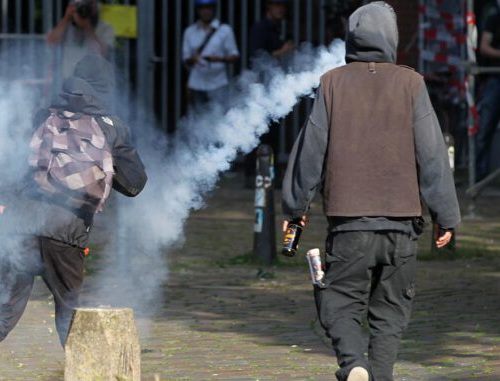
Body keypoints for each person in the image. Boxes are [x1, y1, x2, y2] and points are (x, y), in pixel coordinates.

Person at [281, 3, 460, 381]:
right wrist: (446, 214)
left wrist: (296, 206)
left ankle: (353, 363)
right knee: (391, 313)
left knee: (339, 302)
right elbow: (432, 153)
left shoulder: (332, 82)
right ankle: (378, 375)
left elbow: (311, 149)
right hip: (402, 224)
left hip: (350, 223)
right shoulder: (412, 83)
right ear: (392, 39)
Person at [0, 54, 147, 381]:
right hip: (66, 232)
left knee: (3, 312)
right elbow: (135, 184)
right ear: (104, 87)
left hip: (19, 226)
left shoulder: (40, 115)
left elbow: (7, 164)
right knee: (69, 312)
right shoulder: (110, 126)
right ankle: (90, 375)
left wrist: (5, 203)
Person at [245, 0, 294, 187]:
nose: (280, 9)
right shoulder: (260, 28)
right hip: (260, 87)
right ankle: (252, 175)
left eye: (283, 5)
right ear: (268, 7)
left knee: (271, 132)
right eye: (276, 5)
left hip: (272, 86)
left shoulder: (275, 28)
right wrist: (283, 50)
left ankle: (268, 175)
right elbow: (258, 56)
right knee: (258, 132)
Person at [182, 0, 239, 109]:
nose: (205, 12)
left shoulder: (225, 30)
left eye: (208, 8)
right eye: (202, 8)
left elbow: (234, 55)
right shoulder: (190, 31)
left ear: (214, 9)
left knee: (219, 118)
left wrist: (219, 59)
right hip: (196, 83)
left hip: (218, 83)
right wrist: (193, 58)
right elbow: (185, 58)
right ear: (197, 10)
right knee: (197, 119)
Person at [46, 0, 115, 79]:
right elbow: (51, 42)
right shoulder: (66, 26)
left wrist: (87, 27)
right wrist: (66, 17)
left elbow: (104, 54)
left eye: (90, 3)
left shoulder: (105, 27)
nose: (84, 9)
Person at [475, 0, 500, 181]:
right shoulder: (494, 19)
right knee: (485, 128)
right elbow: (484, 46)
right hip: (495, 78)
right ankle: (479, 176)